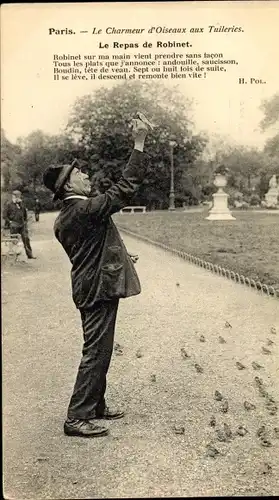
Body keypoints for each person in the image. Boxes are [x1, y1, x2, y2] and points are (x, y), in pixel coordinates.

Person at [43, 116, 150, 438]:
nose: (87, 175)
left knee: (101, 349)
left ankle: (96, 405)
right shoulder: (83, 210)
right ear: (67, 186)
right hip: (97, 289)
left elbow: (90, 248)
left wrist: (117, 254)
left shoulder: (70, 215)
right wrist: (139, 143)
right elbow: (126, 188)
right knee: (95, 351)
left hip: (91, 285)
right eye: (80, 174)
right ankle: (76, 417)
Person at [3, 190, 36, 259]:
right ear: (13, 197)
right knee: (14, 240)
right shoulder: (8, 204)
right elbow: (4, 216)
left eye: (19, 197)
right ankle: (14, 256)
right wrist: (10, 222)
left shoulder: (22, 203)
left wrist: (25, 221)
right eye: (17, 197)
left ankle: (30, 255)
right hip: (14, 225)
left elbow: (25, 213)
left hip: (22, 225)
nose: (19, 198)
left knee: (26, 238)